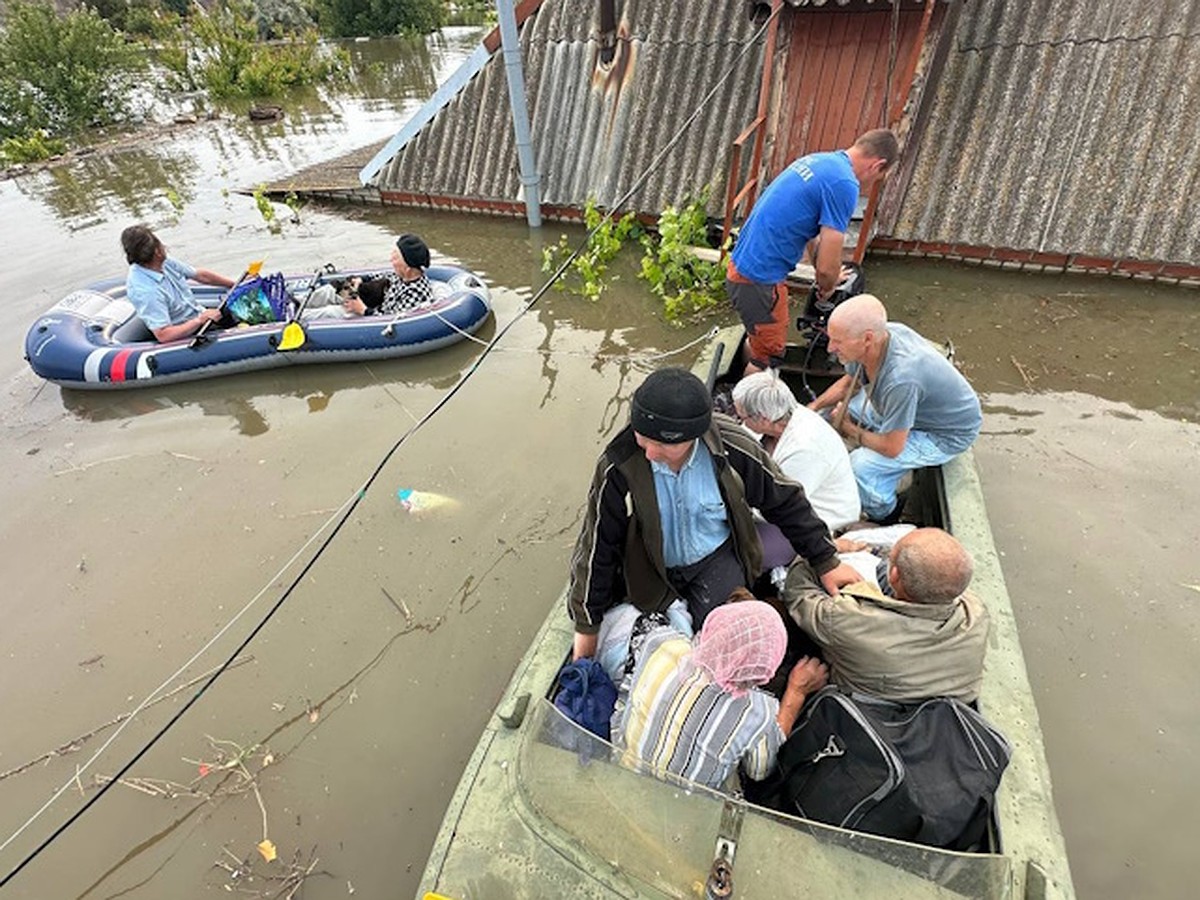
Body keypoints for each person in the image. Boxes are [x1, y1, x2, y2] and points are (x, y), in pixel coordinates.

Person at [567, 367, 862, 662]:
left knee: (725, 652)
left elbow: (786, 502)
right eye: (642, 437)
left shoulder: (731, 446)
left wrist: (826, 561)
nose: (649, 453)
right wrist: (586, 626)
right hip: (650, 567)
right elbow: (596, 545)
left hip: (716, 561)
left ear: (693, 436)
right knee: (653, 653)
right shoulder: (618, 463)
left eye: (663, 444)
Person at [726, 129, 899, 375]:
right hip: (760, 280)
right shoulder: (844, 184)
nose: (871, 185)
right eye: (879, 177)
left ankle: (739, 392)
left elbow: (810, 235)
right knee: (770, 356)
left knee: (761, 341)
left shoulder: (820, 161)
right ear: (877, 165)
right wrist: (826, 287)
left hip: (742, 268)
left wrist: (825, 274)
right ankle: (747, 410)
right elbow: (828, 266)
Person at [611, 599, 828, 791]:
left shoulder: (661, 642)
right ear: (765, 670)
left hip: (623, 778)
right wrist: (796, 692)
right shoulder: (756, 711)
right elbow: (760, 771)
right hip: (682, 811)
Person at [809, 294, 982, 523]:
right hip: (910, 408)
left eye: (838, 342)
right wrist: (813, 407)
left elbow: (892, 448)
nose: (831, 348)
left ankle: (885, 513)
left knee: (861, 466)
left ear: (867, 339)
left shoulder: (902, 379)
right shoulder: (881, 337)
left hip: (945, 434)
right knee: (834, 413)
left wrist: (849, 429)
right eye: (831, 339)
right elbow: (850, 382)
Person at [785, 527, 989, 704]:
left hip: (864, 706)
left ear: (894, 576)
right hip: (936, 713)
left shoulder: (846, 618)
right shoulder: (977, 614)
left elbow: (798, 592)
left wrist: (826, 554)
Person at [732, 370, 861, 533]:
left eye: (742, 417)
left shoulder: (805, 450)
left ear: (763, 419)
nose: (740, 421)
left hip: (817, 518)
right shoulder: (779, 413)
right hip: (775, 501)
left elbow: (780, 507)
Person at [120, 224, 235, 342]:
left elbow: (200, 275)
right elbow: (163, 335)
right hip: (190, 333)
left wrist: (234, 284)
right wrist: (199, 320)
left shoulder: (164, 261)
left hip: (199, 313)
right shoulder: (146, 291)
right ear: (157, 251)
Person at [302, 233, 434, 320]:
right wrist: (361, 280)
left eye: (396, 259)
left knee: (332, 312)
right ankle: (296, 302)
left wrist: (362, 310)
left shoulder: (415, 294)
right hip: (372, 303)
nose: (391, 261)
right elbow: (382, 275)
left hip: (373, 315)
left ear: (408, 268)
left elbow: (393, 320)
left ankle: (294, 317)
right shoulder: (402, 275)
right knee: (333, 290)